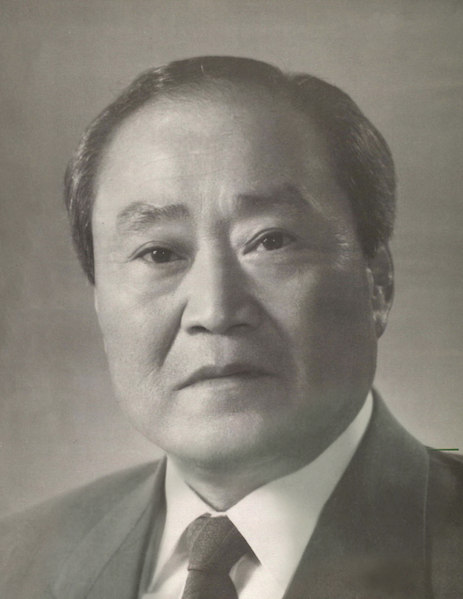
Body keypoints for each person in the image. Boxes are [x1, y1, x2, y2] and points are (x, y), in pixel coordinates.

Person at [1, 56, 462, 598]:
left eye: (271, 241)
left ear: (376, 283)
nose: (216, 311)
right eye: (159, 253)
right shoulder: (17, 562)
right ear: (100, 303)